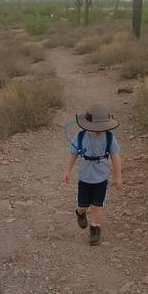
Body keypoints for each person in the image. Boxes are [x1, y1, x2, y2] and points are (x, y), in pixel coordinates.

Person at [63, 103, 122, 246]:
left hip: (101, 179)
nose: (99, 131)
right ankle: (80, 213)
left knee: (97, 206)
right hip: (84, 178)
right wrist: (67, 171)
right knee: (82, 205)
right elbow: (72, 155)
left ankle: (95, 229)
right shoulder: (81, 136)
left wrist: (118, 176)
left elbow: (115, 156)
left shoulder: (109, 137)